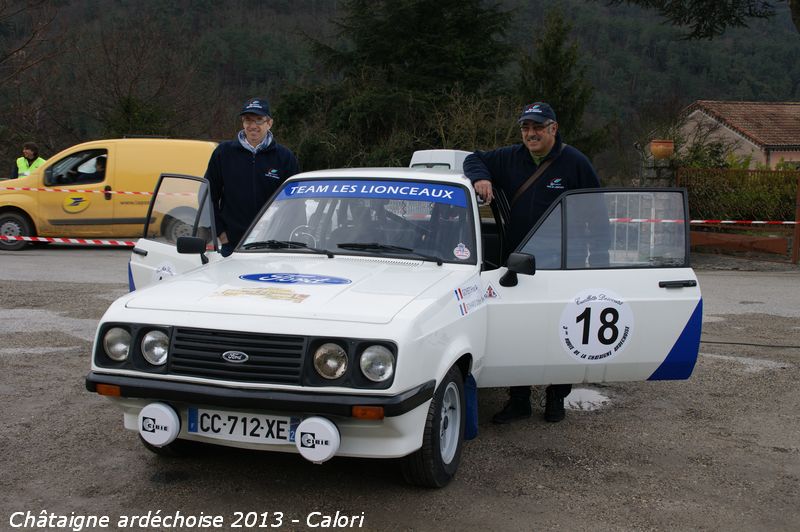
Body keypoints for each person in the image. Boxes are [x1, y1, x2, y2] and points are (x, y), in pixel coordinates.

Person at [463, 101, 601, 424]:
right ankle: (520, 399)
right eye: (526, 127)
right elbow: (474, 158)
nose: (531, 133)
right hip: (520, 262)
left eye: (538, 127)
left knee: (563, 329)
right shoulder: (510, 157)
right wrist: (482, 177)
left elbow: (596, 213)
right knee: (520, 330)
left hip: (564, 264)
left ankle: (556, 396)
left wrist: (599, 263)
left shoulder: (575, 163)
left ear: (553, 128)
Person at [204, 97, 299, 256]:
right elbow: (208, 195)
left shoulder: (285, 157)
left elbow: (295, 202)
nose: (253, 126)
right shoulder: (223, 153)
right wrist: (220, 232)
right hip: (233, 245)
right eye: (248, 120)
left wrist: (286, 234)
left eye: (259, 120)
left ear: (269, 123)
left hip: (273, 245)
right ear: (243, 123)